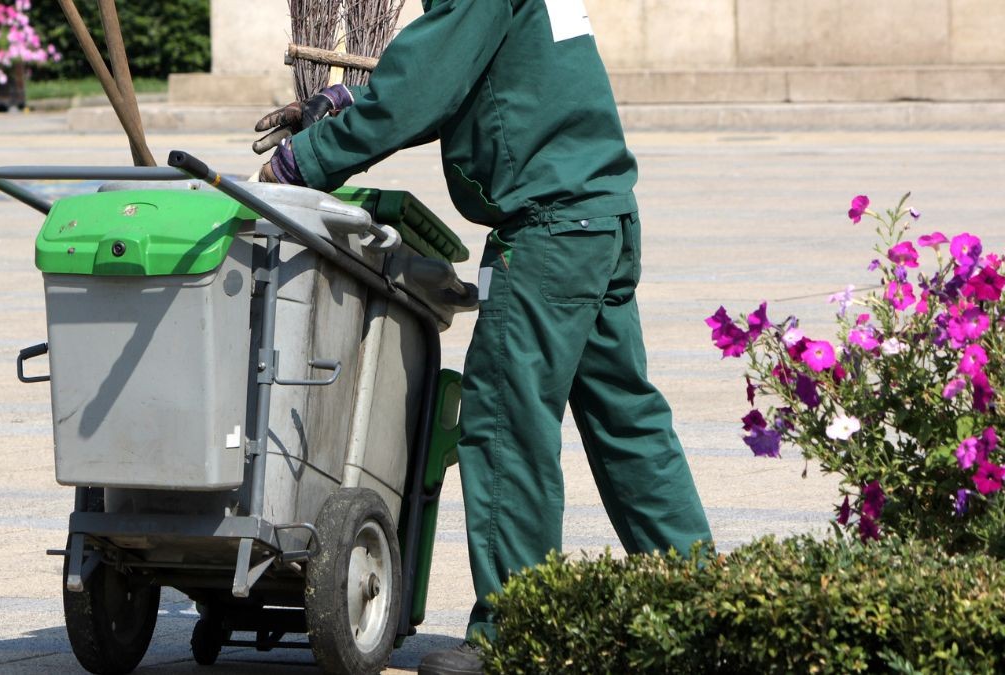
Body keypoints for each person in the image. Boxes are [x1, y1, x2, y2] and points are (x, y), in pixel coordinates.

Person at [253, 1, 713, 673]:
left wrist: (305, 160)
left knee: (502, 424)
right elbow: (473, 77)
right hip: (599, 215)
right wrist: (351, 101)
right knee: (627, 421)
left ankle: (520, 630)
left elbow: (423, 86)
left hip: (548, 229)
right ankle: (705, 604)